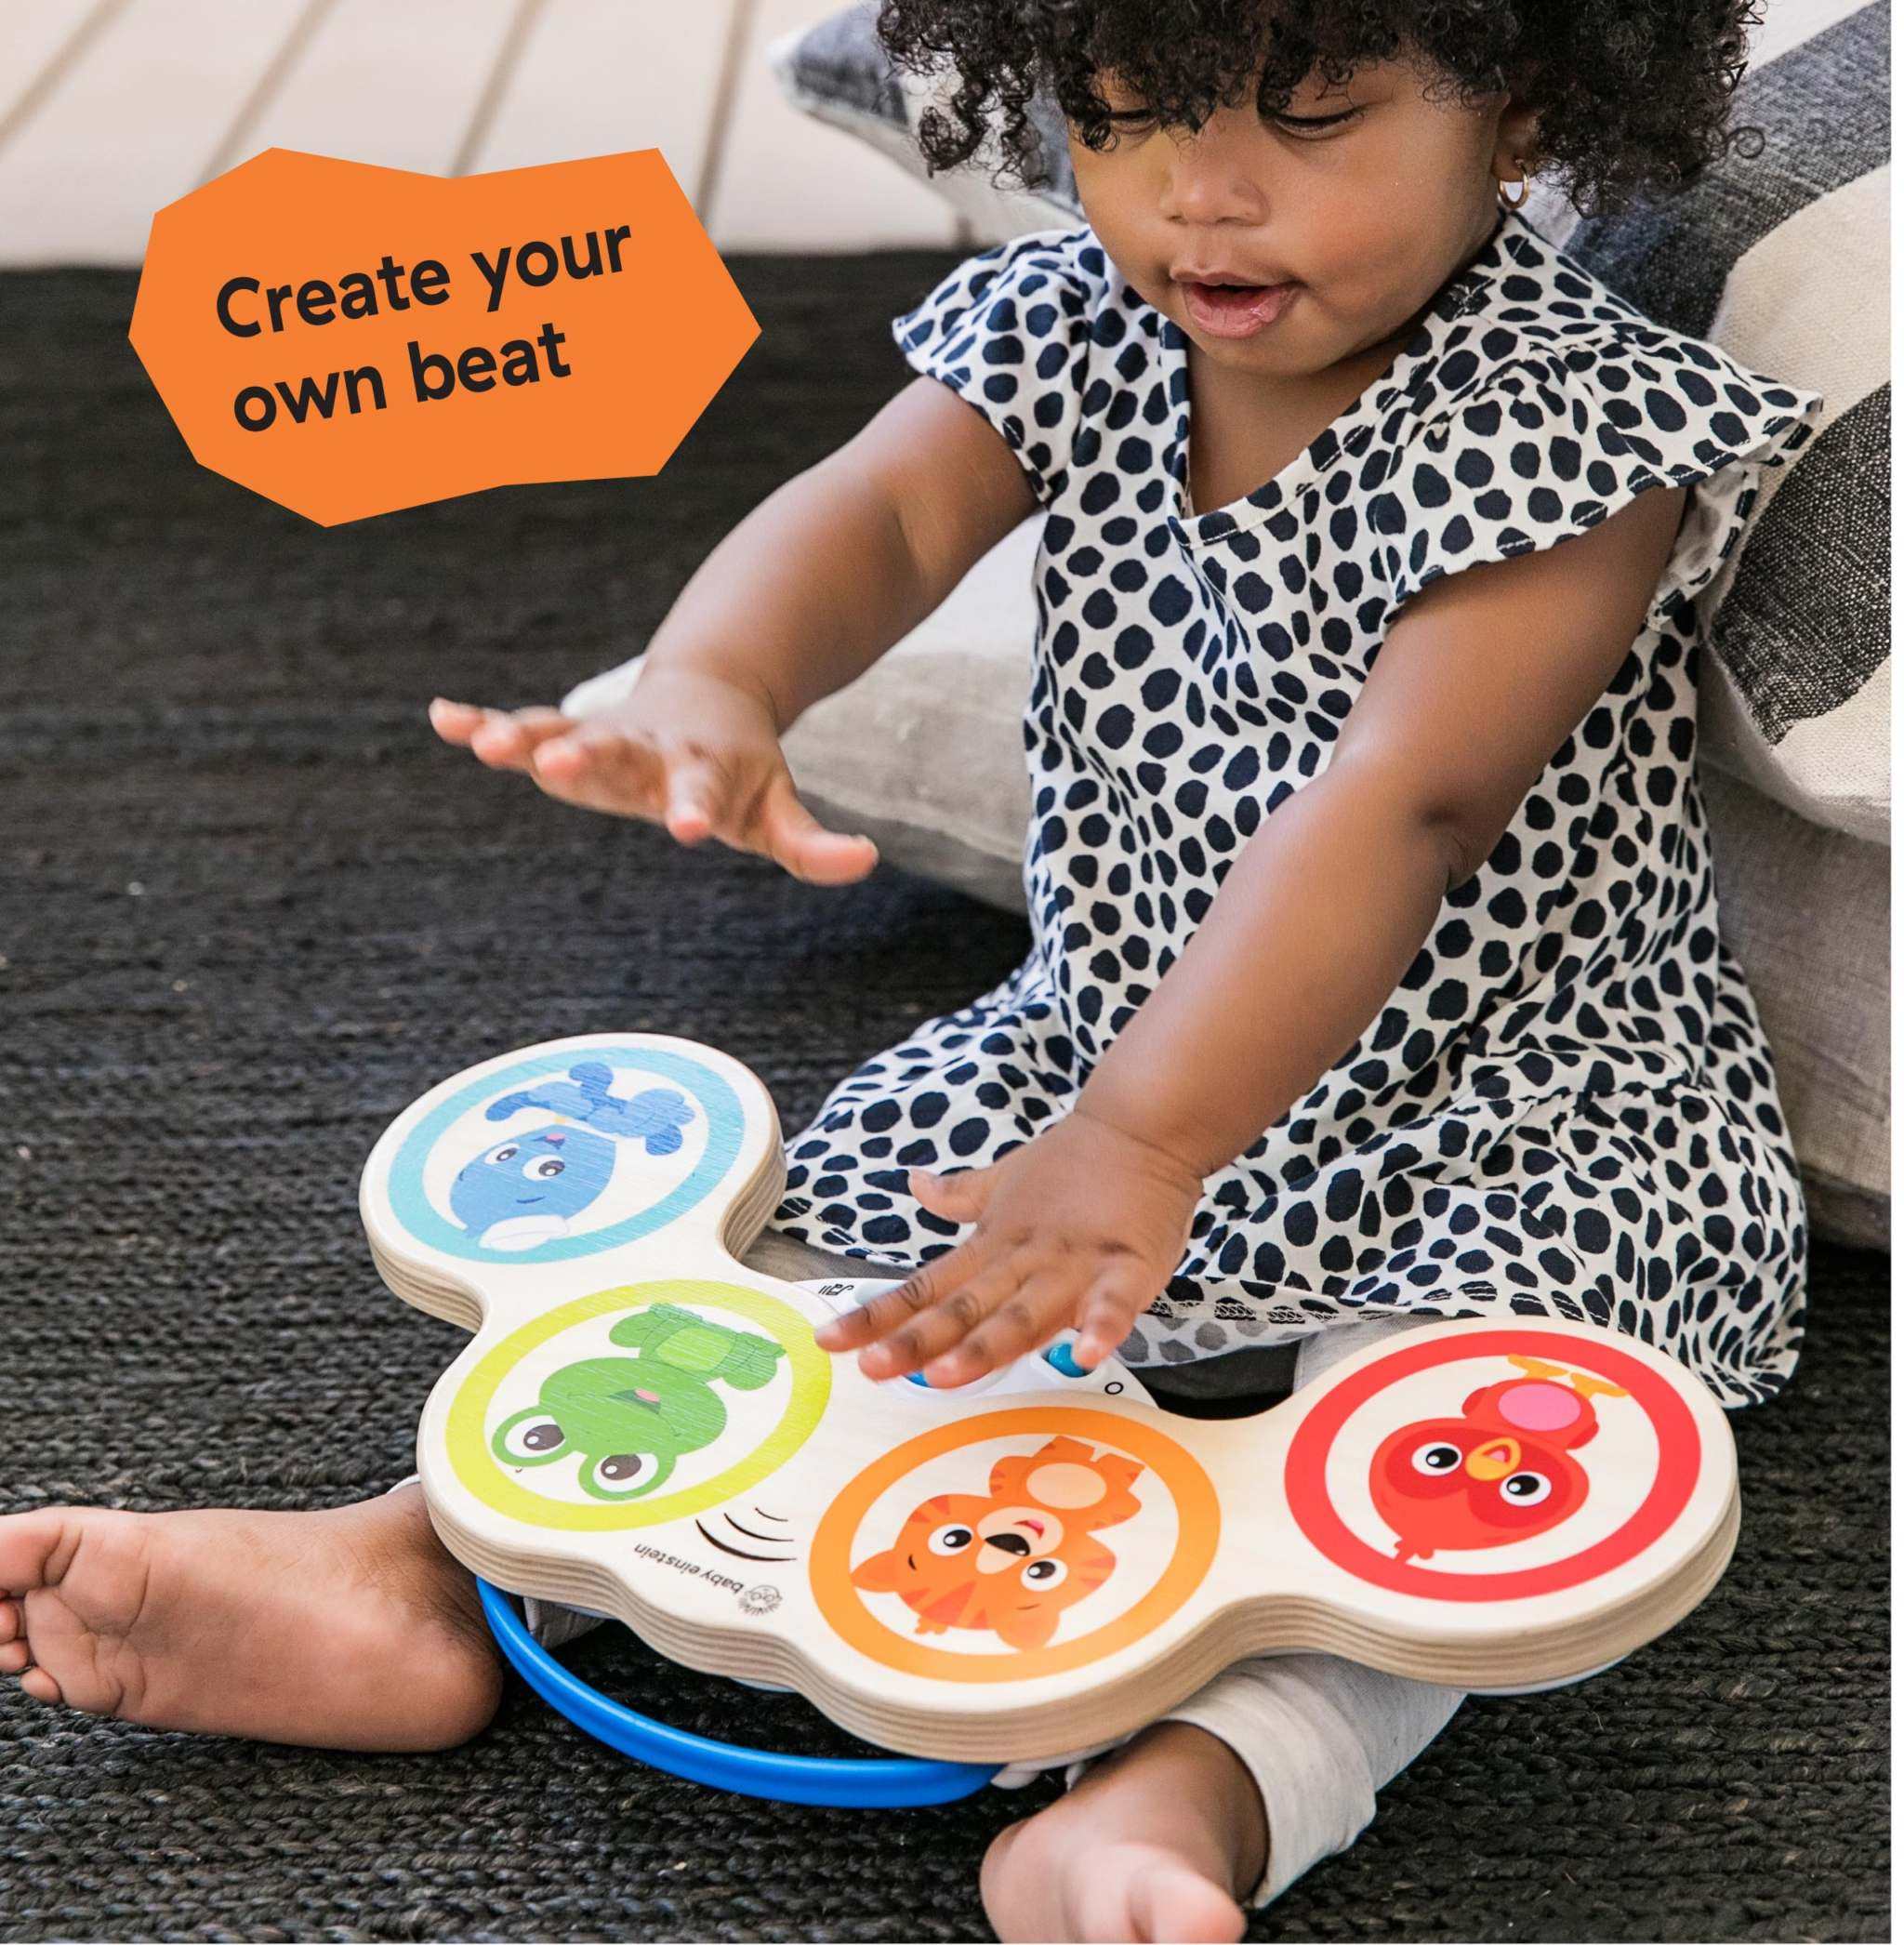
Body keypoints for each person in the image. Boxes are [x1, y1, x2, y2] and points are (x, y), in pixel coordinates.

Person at [0, 6, 1826, 1938]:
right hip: (1104, 1057)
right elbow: (876, 512)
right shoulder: (1078, 318)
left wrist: (1145, 1140)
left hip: (1512, 1102)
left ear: (1527, 96)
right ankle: (429, 1564)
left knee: (1458, 1468)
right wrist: (721, 680)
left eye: (1312, 122)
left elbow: (1406, 807)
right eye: (1123, 117)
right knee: (807, 1277)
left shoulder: (1578, 424)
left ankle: (1194, 1791)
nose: (1198, 193)